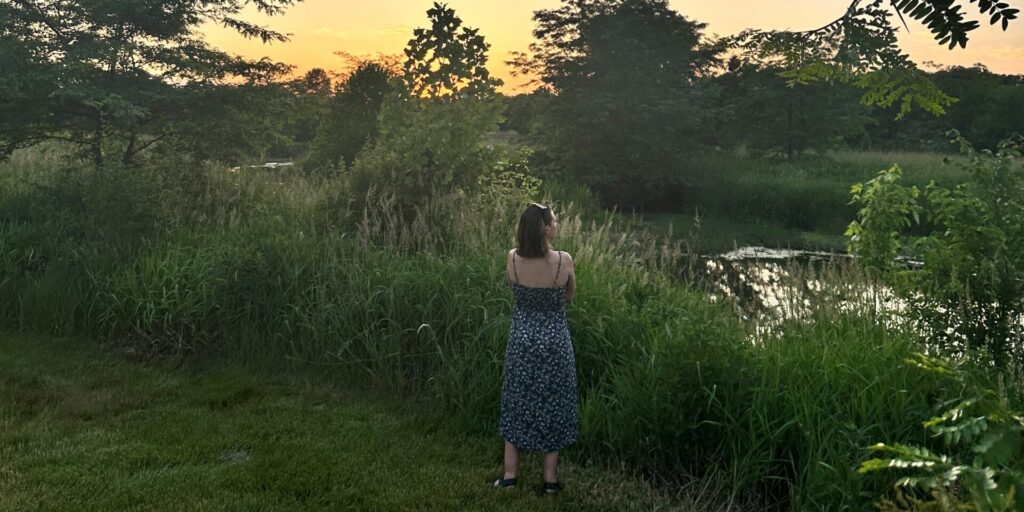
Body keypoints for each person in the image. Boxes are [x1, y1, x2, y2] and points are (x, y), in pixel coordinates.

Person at [493, 202, 579, 495]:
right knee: (554, 404)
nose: (556, 225)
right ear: (545, 228)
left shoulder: (512, 259)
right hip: (555, 343)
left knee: (516, 401)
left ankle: (509, 477)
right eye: (553, 221)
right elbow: (569, 297)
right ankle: (550, 481)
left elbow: (514, 289)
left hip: (521, 342)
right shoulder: (563, 261)